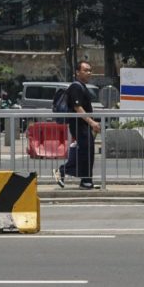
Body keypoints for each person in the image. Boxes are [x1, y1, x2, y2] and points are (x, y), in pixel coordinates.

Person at [53, 61, 101, 190]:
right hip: (78, 125)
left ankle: (86, 181)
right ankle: (62, 170)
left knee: (87, 152)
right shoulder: (76, 87)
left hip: (84, 125)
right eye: (85, 70)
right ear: (77, 72)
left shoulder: (83, 86)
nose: (89, 73)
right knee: (85, 151)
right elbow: (77, 107)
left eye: (90, 70)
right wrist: (92, 122)